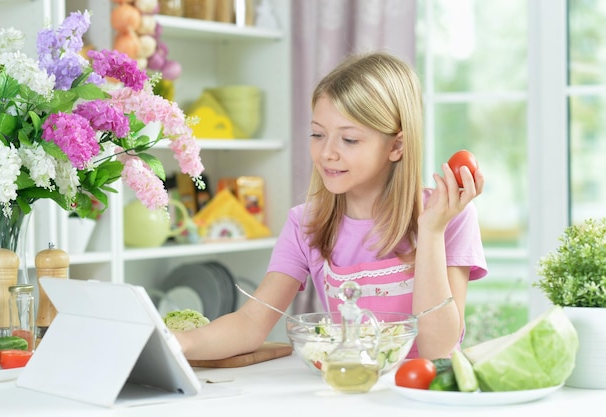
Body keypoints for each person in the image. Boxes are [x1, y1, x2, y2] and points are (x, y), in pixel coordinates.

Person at [175, 51, 487, 361]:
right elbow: (251, 322)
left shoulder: (449, 217)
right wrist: (178, 344)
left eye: (349, 140)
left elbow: (439, 351)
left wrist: (431, 232)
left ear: (396, 146)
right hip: (350, 387)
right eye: (317, 134)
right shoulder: (305, 224)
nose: (327, 153)